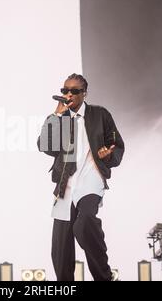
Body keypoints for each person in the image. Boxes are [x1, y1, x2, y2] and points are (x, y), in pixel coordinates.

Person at [37, 74, 125, 281]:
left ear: (84, 93)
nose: (68, 94)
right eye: (65, 90)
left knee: (85, 222)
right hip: (65, 184)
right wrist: (56, 118)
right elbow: (45, 146)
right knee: (60, 246)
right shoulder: (60, 117)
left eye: (74, 91)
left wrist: (108, 155)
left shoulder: (100, 114)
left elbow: (117, 146)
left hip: (91, 180)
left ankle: (104, 276)